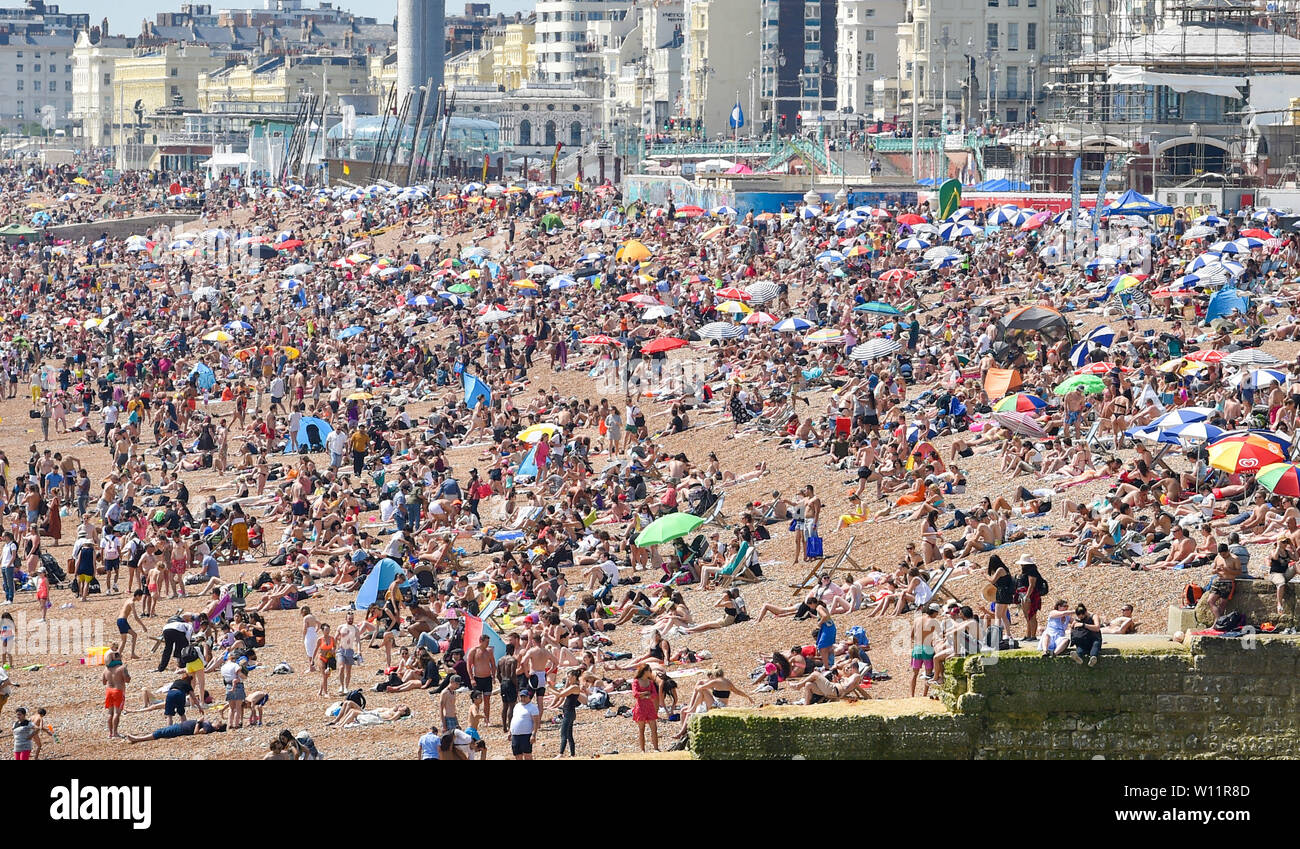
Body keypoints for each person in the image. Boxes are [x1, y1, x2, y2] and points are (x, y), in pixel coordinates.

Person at [630, 663, 660, 752]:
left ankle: (656, 748)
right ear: (645, 671)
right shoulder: (636, 681)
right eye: (649, 670)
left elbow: (654, 695)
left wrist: (644, 695)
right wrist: (646, 693)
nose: (651, 672)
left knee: (654, 729)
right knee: (641, 730)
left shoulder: (650, 682)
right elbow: (635, 694)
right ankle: (642, 750)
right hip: (640, 708)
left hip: (650, 707)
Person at [102, 650, 130, 739]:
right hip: (118, 691)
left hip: (109, 690)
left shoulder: (106, 669)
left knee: (110, 713)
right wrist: (127, 673)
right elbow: (127, 680)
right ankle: (115, 733)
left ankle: (110, 733)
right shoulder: (122, 668)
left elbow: (103, 682)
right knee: (117, 713)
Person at [509, 689, 539, 760]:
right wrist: (510, 732)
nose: (523, 698)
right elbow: (513, 719)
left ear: (529, 697)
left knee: (527, 755)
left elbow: (536, 722)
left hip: (526, 734)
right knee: (517, 755)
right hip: (515, 734)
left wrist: (533, 734)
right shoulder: (517, 706)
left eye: (525, 697)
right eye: (521, 697)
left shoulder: (532, 707)